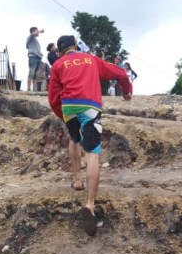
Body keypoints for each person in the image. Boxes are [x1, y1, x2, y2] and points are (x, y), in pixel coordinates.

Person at [48, 34, 132, 236]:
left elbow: (52, 97)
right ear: (76, 45)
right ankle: (90, 204)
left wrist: (63, 114)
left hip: (69, 106)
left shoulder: (58, 64)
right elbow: (119, 72)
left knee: (74, 139)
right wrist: (126, 91)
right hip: (90, 106)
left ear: (59, 51)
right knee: (93, 152)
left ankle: (77, 180)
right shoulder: (90, 59)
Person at [26, 26, 44, 91]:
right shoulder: (30, 37)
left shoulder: (36, 40)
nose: (38, 32)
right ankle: (28, 89)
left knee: (36, 75)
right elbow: (33, 34)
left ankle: (34, 90)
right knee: (31, 72)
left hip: (38, 57)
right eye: (36, 30)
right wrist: (40, 31)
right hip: (33, 56)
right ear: (33, 31)